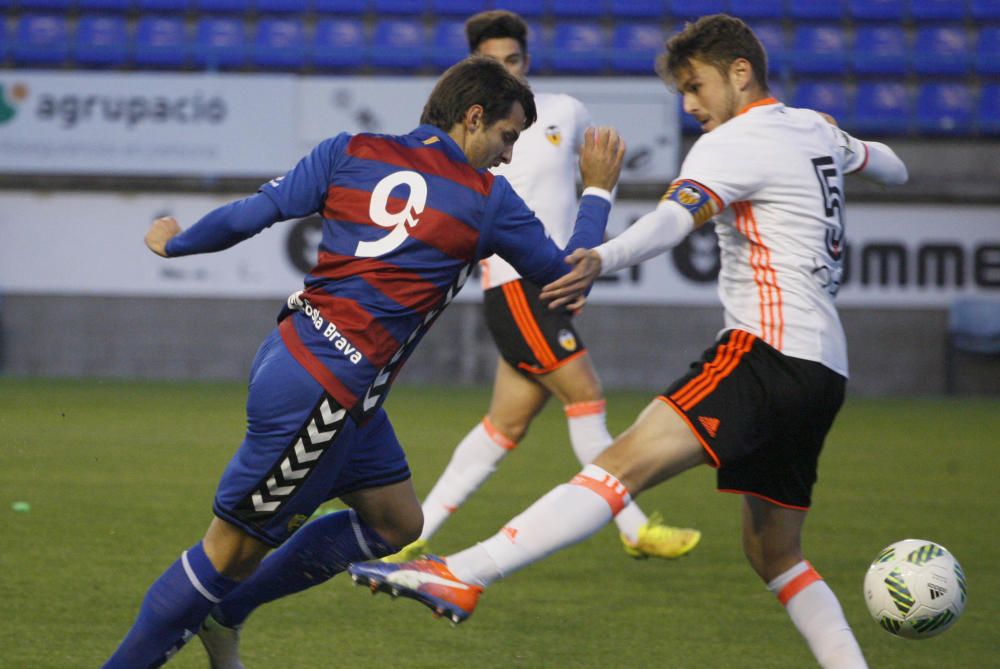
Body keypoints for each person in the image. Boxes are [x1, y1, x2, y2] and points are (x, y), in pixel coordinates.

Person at [348, 15, 908, 668]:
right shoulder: (813, 130)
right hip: (825, 372)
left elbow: (671, 221)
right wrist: (851, 152)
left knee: (617, 466)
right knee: (776, 555)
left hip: (763, 350)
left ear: (740, 72)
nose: (692, 106)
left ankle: (466, 571)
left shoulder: (733, 143)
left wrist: (600, 258)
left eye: (696, 88)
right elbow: (891, 167)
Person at [101, 56, 625, 669]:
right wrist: (597, 191)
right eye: (507, 138)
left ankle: (230, 611)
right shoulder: (486, 198)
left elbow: (252, 214)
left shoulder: (351, 149)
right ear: (473, 117)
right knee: (228, 553)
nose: (508, 156)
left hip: (302, 356)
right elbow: (568, 281)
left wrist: (176, 240)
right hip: (325, 396)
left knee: (397, 522)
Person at [384, 9, 700, 564]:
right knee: (587, 396)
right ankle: (631, 525)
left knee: (503, 425)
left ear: (526, 62)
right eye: (491, 62)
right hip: (512, 281)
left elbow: (585, 181)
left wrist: (578, 264)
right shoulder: (471, 126)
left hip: (551, 282)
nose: (505, 69)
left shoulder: (565, 112)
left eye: (512, 60)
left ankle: (410, 534)